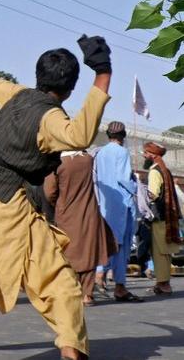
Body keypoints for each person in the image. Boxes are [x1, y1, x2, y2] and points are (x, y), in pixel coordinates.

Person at [0, 35, 112, 360]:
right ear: (71, 88)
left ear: (38, 75)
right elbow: (81, 135)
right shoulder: (52, 120)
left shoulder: (17, 95)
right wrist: (103, 72)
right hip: (3, 200)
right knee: (58, 279)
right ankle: (71, 350)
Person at [43, 151, 116, 306]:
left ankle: (72, 291)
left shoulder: (57, 162)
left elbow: (49, 192)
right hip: (90, 212)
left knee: (68, 253)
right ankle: (87, 295)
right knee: (89, 252)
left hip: (66, 214)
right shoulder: (88, 159)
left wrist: (58, 204)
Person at [94, 121, 142, 302]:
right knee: (121, 245)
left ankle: (100, 273)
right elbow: (123, 178)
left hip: (105, 204)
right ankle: (120, 286)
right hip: (122, 202)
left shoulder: (100, 153)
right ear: (123, 136)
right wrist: (136, 188)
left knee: (107, 242)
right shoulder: (122, 152)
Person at [143, 142, 183, 295]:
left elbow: (152, 194)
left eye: (145, 153)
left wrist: (140, 194)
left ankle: (163, 284)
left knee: (159, 251)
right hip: (167, 215)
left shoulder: (154, 171)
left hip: (158, 217)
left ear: (152, 155)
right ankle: (163, 283)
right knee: (165, 251)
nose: (143, 155)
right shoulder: (165, 169)